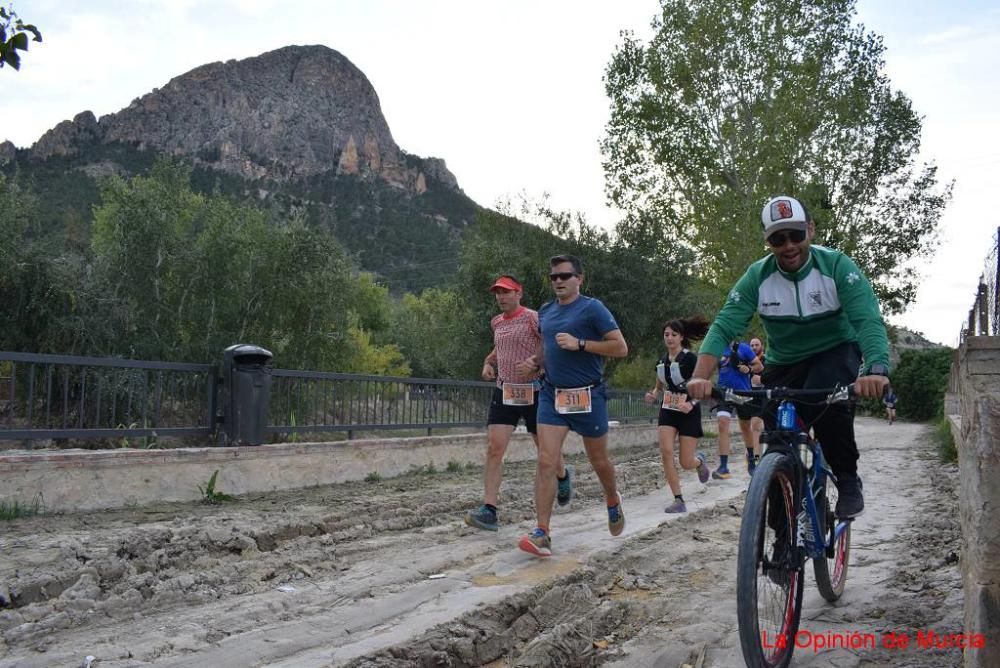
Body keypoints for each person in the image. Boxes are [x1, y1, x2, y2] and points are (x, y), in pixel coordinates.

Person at [686, 195, 891, 519]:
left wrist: (876, 368)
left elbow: (866, 320)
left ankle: (848, 481)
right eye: (778, 238)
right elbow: (724, 326)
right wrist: (699, 376)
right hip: (784, 363)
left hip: (834, 350)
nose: (789, 245)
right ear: (768, 241)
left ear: (810, 229)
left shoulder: (837, 266)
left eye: (796, 234)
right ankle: (784, 538)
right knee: (778, 441)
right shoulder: (758, 276)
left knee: (829, 401)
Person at [518, 254, 628, 557]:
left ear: (579, 278)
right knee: (545, 460)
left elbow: (620, 347)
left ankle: (611, 499)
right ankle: (542, 533)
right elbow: (547, 343)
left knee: (599, 460)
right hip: (553, 395)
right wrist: (535, 361)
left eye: (564, 276)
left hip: (588, 396)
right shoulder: (545, 311)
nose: (558, 282)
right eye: (553, 277)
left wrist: (581, 344)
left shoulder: (593, 308)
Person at [466, 275, 573, 532]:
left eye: (506, 292)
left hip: (536, 391)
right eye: (497, 293)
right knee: (494, 448)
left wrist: (535, 363)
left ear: (518, 293)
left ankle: (562, 475)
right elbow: (500, 348)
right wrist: (488, 363)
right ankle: (490, 510)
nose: (501, 297)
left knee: (545, 451)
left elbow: (550, 343)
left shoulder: (533, 317)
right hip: (505, 392)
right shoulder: (497, 322)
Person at [644, 316, 712, 513]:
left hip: (689, 411)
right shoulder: (661, 361)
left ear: (681, 337)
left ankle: (699, 462)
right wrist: (654, 393)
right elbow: (660, 381)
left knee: (686, 462)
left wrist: (691, 403)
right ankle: (678, 499)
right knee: (665, 451)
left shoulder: (690, 358)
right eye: (666, 334)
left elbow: (705, 385)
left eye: (674, 334)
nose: (669, 338)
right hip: (668, 410)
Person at [712, 339, 763, 479]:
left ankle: (751, 459)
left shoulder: (744, 348)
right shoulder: (718, 348)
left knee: (746, 427)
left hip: (743, 393)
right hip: (725, 392)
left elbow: (759, 366)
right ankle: (723, 467)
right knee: (722, 423)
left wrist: (749, 369)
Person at [748, 337, 767, 471]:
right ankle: (756, 457)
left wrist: (762, 379)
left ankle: (762, 454)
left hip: (766, 395)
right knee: (754, 426)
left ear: (762, 346)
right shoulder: (747, 360)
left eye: (756, 345)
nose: (754, 347)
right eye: (752, 345)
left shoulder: (767, 360)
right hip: (752, 396)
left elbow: (774, 376)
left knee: (761, 426)